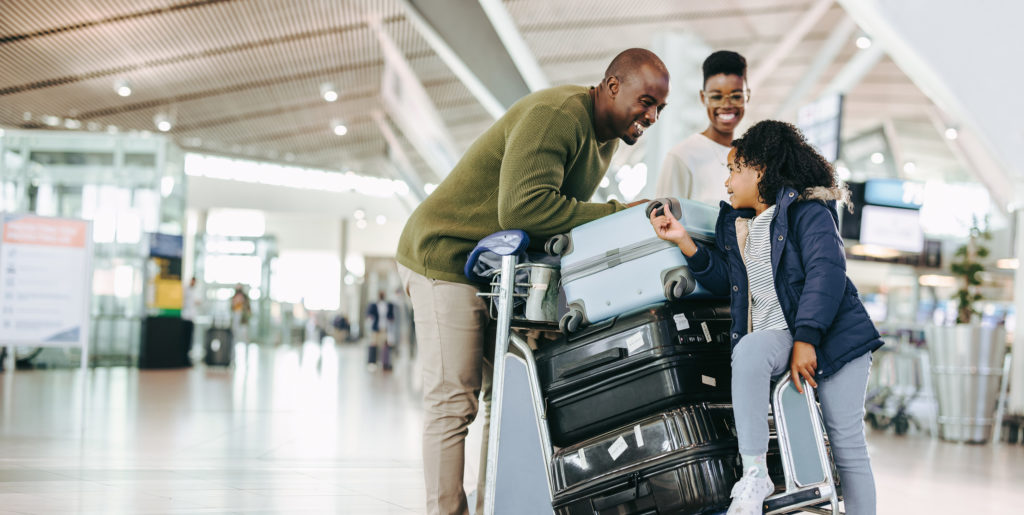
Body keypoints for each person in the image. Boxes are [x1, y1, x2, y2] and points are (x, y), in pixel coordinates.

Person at [397, 48, 670, 515]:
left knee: (504, 399)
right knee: (454, 400)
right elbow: (524, 210)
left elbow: (550, 224)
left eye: (659, 109)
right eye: (645, 101)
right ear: (612, 86)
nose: (651, 115)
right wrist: (619, 213)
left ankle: (494, 506)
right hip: (445, 255)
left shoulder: (603, 139)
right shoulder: (558, 115)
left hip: (493, 269)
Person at [649, 120, 881, 515]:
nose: (727, 183)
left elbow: (827, 272)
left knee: (846, 443)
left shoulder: (809, 212)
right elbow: (727, 280)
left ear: (760, 170)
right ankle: (754, 474)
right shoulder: (739, 226)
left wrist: (807, 339)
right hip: (781, 335)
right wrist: (683, 241)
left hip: (835, 339)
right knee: (752, 349)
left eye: (734, 170)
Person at [655, 50, 749, 205]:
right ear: (703, 98)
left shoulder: (751, 158)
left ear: (747, 97)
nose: (726, 105)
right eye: (717, 97)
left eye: (736, 96)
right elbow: (662, 222)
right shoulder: (682, 157)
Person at [366, 292, 395, 371]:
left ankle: (385, 363)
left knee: (385, 346)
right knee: (373, 344)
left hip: (385, 328)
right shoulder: (374, 305)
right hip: (376, 328)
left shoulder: (388, 305)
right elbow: (369, 315)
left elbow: (391, 316)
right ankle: (372, 363)